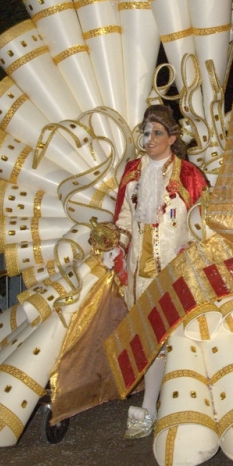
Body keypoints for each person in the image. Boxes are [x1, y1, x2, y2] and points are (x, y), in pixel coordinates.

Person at [92, 104, 207, 438]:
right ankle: (154, 407)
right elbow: (124, 220)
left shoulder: (190, 176)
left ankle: (154, 407)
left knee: (172, 340)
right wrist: (116, 242)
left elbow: (201, 223)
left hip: (175, 273)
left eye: (157, 132)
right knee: (149, 339)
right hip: (138, 275)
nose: (150, 138)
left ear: (172, 138)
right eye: (146, 131)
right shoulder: (132, 172)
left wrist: (192, 252)